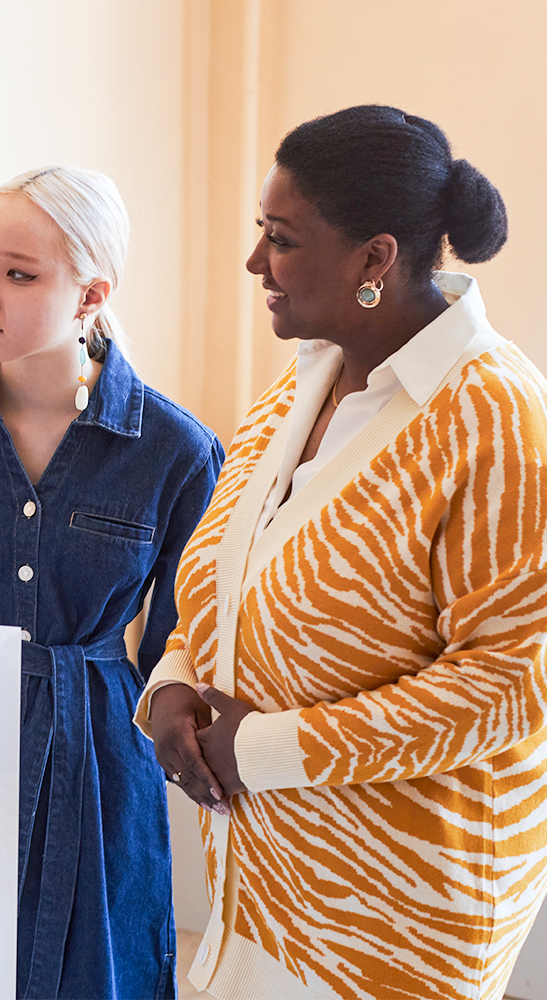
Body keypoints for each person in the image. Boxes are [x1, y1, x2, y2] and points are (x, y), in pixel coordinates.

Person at [140, 105, 547, 999]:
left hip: (399, 922)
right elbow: (229, 578)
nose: (256, 265)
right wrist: (171, 679)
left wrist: (270, 750)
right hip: (260, 890)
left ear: (376, 258)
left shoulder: (496, 416)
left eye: (281, 240)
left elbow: (512, 685)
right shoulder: (307, 377)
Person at [0, 166, 223, 998]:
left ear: (89, 294)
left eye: (18, 273)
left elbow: (187, 642)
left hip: (102, 763)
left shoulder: (175, 451)